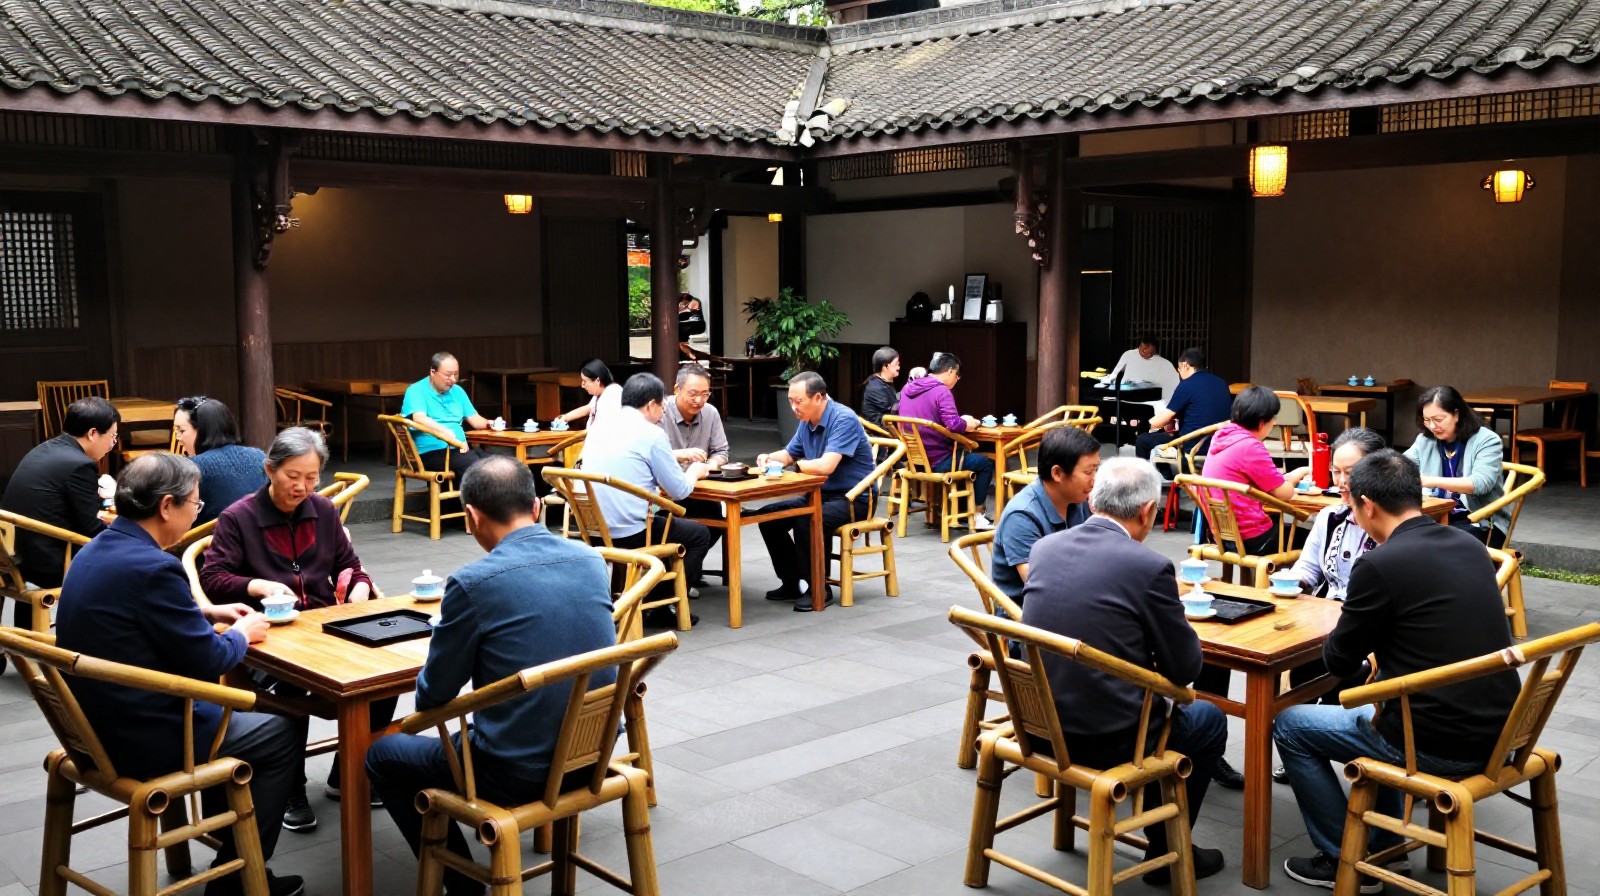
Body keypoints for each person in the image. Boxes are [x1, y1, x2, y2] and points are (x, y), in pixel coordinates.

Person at [55, 454, 304, 896]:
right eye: (194, 502)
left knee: (237, 720)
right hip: (142, 735)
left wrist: (205, 610)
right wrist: (243, 633)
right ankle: (238, 877)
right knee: (279, 731)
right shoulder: (155, 567)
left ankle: (225, 837)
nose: (199, 510)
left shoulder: (97, 549)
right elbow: (210, 660)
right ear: (167, 506)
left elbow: (133, 616)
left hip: (88, 725)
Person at [367, 457, 617, 896]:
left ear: (471, 516)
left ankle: (464, 884)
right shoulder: (590, 559)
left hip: (513, 773)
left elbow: (433, 697)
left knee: (384, 755)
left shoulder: (473, 583)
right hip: (594, 755)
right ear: (537, 507)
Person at [1275, 450, 1520, 892]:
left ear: (1367, 504)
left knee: (1291, 723)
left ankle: (1342, 856)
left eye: (1352, 504)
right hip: (1505, 731)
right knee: (1379, 708)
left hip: (1436, 744)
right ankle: (1388, 846)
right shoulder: (1468, 544)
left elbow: (1338, 662)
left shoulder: (1380, 564)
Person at [1020, 458, 1228, 884]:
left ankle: (1162, 837)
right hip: (1107, 739)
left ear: (1094, 498)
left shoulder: (1045, 547)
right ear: (1147, 510)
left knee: (1158, 707)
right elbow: (1184, 668)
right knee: (1207, 719)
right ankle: (1168, 846)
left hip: (1037, 723)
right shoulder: (1147, 567)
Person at [201, 427, 387, 833]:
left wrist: (357, 584)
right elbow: (214, 577)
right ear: (270, 470)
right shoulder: (239, 517)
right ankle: (290, 785)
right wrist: (257, 584)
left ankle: (348, 773)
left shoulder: (322, 511)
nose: (302, 487)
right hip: (269, 636)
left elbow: (349, 563)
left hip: (324, 629)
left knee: (381, 679)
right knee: (287, 693)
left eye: (312, 478)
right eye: (293, 477)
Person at [1195, 384, 1311, 788]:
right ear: (1264, 422)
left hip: (1224, 535)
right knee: (1307, 544)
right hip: (1254, 535)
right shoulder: (1252, 447)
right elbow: (1283, 494)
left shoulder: (1222, 438)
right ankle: (1303, 623)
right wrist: (1295, 475)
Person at [581, 373, 712, 628]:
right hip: (632, 532)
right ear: (651, 404)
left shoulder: (598, 428)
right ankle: (663, 605)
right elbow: (680, 491)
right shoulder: (651, 434)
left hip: (596, 529)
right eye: (662, 405)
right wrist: (696, 470)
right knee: (698, 535)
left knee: (664, 525)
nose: (663, 412)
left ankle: (648, 598)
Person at [756, 372, 877, 611]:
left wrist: (793, 466)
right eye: (790, 400)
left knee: (808, 519)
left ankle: (819, 588)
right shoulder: (807, 421)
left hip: (854, 498)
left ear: (819, 398)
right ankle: (792, 582)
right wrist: (769, 458)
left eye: (798, 401)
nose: (793, 407)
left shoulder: (844, 419)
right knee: (769, 518)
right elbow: (790, 453)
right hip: (819, 495)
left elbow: (825, 466)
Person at [0, 396, 118, 630]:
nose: (113, 444)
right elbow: (90, 530)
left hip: (13, 553)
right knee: (120, 556)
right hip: (46, 562)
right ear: (93, 433)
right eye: (112, 437)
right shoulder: (80, 464)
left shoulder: (44, 449)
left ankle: (28, 640)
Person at [989, 426, 1099, 608]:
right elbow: (1041, 586)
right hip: (1028, 618)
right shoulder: (1022, 516)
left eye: (1096, 469)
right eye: (1088, 472)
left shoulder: (1078, 500)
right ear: (1057, 473)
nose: (1094, 480)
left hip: (1072, 603)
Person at [898, 351, 997, 530]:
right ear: (950, 371)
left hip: (915, 460)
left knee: (965, 458)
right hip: (939, 460)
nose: (957, 380)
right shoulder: (941, 391)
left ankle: (958, 513)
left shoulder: (907, 389)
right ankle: (976, 515)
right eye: (957, 375)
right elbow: (953, 425)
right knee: (985, 464)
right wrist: (969, 423)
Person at [1287, 428, 1386, 602]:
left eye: (1350, 472)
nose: (1341, 481)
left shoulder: (1389, 523)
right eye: (1336, 471)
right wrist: (1289, 582)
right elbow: (1308, 568)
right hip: (1327, 613)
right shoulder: (1329, 517)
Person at [1404, 385, 1508, 547]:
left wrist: (1429, 481)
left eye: (1438, 420)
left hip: (1478, 521)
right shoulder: (1425, 440)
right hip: (1436, 517)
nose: (1431, 426)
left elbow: (1480, 484)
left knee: (1433, 548)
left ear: (1457, 414)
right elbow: (1402, 466)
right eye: (1427, 420)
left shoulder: (1487, 440)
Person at [660, 364, 729, 565]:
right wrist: (680, 455)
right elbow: (647, 454)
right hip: (666, 493)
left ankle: (688, 568)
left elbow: (721, 451)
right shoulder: (660, 412)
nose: (699, 400)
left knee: (718, 520)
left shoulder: (711, 413)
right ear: (676, 389)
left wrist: (710, 465)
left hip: (701, 489)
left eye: (705, 394)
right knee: (674, 526)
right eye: (692, 394)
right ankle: (679, 573)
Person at [175, 396, 267, 526]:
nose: (178, 437)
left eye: (182, 430)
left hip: (215, 542)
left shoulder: (193, 468)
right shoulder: (259, 455)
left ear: (202, 430)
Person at [1135, 346, 1232, 467]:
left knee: (1142, 440)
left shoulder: (1186, 385)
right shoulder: (1221, 383)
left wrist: (1144, 424)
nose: (1179, 373)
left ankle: (1146, 482)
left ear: (1186, 365)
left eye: (1179, 369)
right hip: (1220, 448)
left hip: (1191, 450)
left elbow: (1160, 421)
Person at [402, 351, 491, 477]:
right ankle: (474, 496)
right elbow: (419, 418)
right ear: (433, 372)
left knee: (498, 462)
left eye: (456, 374)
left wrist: (492, 424)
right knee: (473, 463)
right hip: (430, 453)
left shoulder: (458, 391)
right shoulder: (416, 390)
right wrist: (446, 432)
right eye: (448, 375)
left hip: (459, 450)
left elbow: (476, 421)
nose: (453, 380)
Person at [1099, 333, 1181, 435]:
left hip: (1149, 397)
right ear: (1141, 347)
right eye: (1145, 352)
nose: (1148, 355)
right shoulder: (1129, 355)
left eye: (1151, 353)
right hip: (1127, 395)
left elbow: (1172, 382)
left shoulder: (1162, 363)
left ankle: (1145, 431)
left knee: (1156, 407)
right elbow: (1114, 374)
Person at [558, 358, 623, 430]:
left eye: (585, 381)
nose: (582, 385)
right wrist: (565, 417)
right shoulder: (601, 392)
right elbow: (589, 407)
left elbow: (604, 429)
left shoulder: (613, 396)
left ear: (597, 381)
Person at [859, 346, 900, 429]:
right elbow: (892, 412)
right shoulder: (875, 387)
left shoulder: (883, 382)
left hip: (889, 426)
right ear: (885, 366)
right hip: (881, 431)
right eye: (896, 364)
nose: (898, 367)